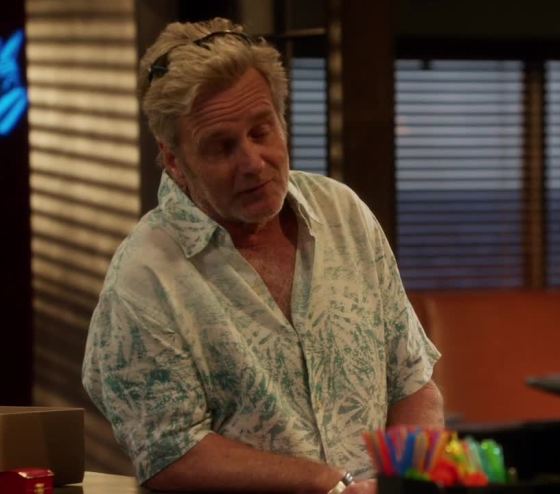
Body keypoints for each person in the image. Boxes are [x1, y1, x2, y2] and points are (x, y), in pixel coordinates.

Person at [81, 17, 443, 493]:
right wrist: (328, 484)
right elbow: (171, 453)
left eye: (261, 131)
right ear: (174, 160)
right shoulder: (145, 276)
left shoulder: (343, 213)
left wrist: (404, 481)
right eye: (222, 147)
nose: (252, 162)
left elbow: (413, 383)